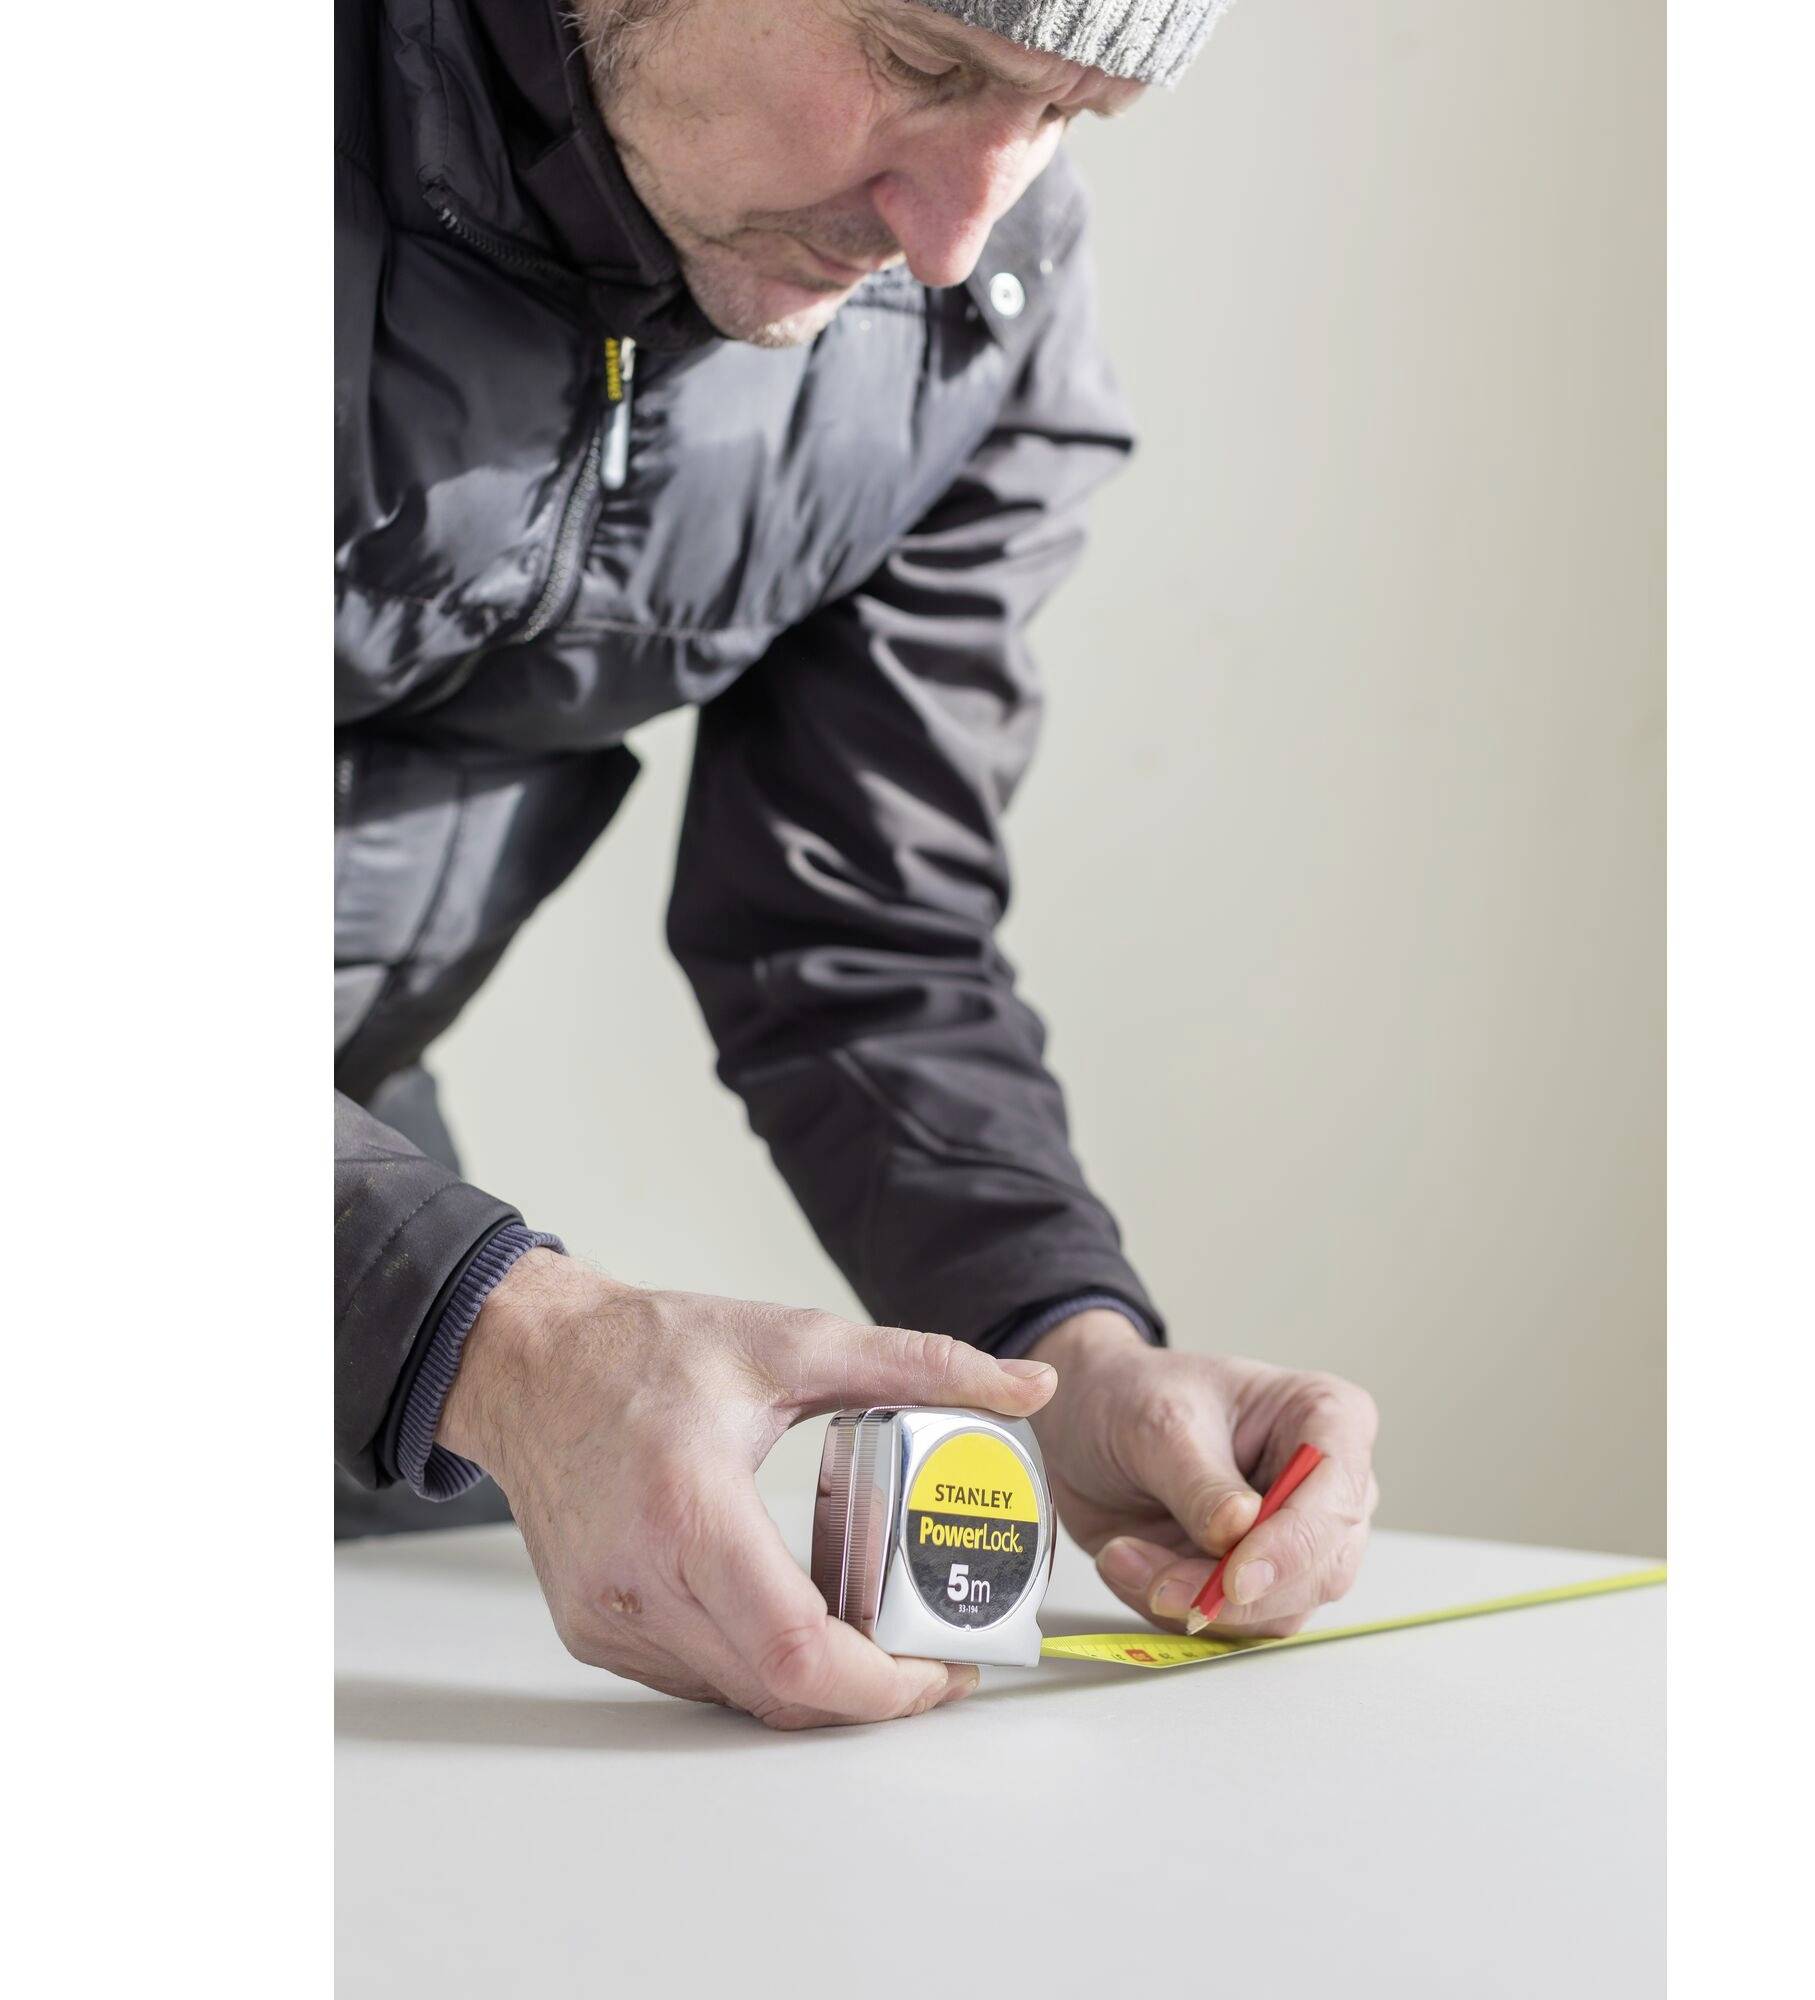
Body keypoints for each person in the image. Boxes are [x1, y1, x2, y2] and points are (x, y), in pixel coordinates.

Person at [336, 0, 1379, 1728]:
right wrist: (511, 1344)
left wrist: (1068, 1351)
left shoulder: (983, 311)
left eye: (1065, 113)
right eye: (923, 64)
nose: (957, 226)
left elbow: (858, 927)